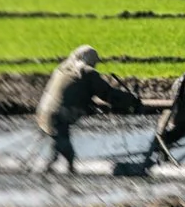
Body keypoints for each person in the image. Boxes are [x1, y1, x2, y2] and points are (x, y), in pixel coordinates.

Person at [35, 45, 138, 173]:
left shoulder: (61, 69)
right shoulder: (87, 72)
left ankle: (51, 165)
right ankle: (70, 170)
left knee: (59, 137)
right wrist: (131, 99)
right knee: (65, 145)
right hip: (59, 114)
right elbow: (107, 94)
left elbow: (72, 92)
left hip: (43, 112)